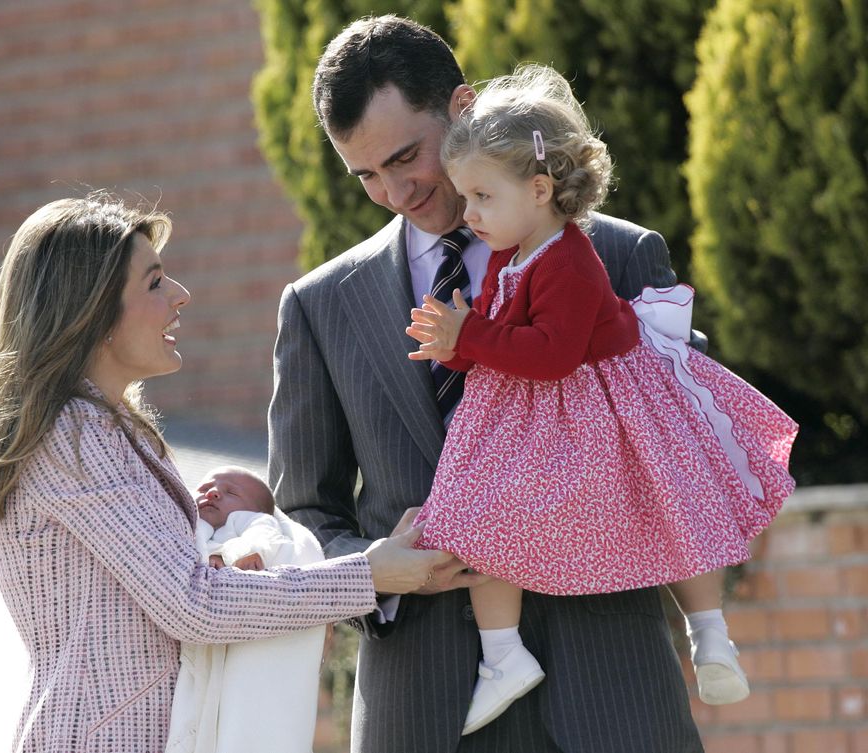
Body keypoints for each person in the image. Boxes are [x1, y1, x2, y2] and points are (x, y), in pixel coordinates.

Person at [269, 14, 707, 753]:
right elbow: (304, 516)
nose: (395, 191)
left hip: (615, 695)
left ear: (463, 107)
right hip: (426, 710)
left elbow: (687, 446)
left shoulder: (620, 255)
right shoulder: (318, 306)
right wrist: (377, 574)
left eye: (407, 156)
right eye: (367, 174)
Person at [0, 193, 452, 753]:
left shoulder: (106, 427)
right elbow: (192, 604)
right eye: (154, 283)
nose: (180, 296)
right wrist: (369, 576)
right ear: (91, 311)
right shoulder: (77, 436)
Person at [405, 64, 797, 735]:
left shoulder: (569, 259)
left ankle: (710, 632)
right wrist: (458, 346)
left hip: (599, 406)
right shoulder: (511, 250)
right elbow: (507, 336)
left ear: (539, 187)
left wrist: (472, 332)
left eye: (481, 196)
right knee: (480, 519)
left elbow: (552, 354)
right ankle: (504, 654)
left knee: (680, 498)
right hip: (533, 411)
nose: (467, 214)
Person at [166, 464, 330, 753]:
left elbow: (264, 536)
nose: (213, 493)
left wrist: (235, 555)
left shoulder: (249, 522)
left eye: (231, 492)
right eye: (204, 488)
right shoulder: (189, 522)